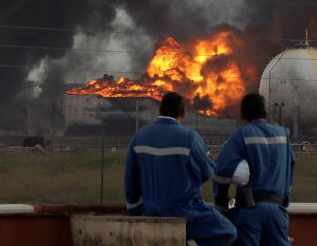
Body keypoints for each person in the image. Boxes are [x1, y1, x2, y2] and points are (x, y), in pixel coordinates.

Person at [125, 91, 237, 246]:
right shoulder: (189, 138)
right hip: (186, 210)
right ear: (183, 113)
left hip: (151, 210)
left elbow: (130, 183)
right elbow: (207, 172)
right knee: (228, 232)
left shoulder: (139, 137)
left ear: (160, 110)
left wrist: (134, 216)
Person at [212, 93, 294, 246]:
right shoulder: (283, 135)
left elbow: (220, 172)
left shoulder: (241, 135)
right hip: (278, 212)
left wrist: (222, 203)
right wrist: (284, 200)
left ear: (243, 115)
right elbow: (290, 169)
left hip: (250, 212)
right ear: (265, 113)